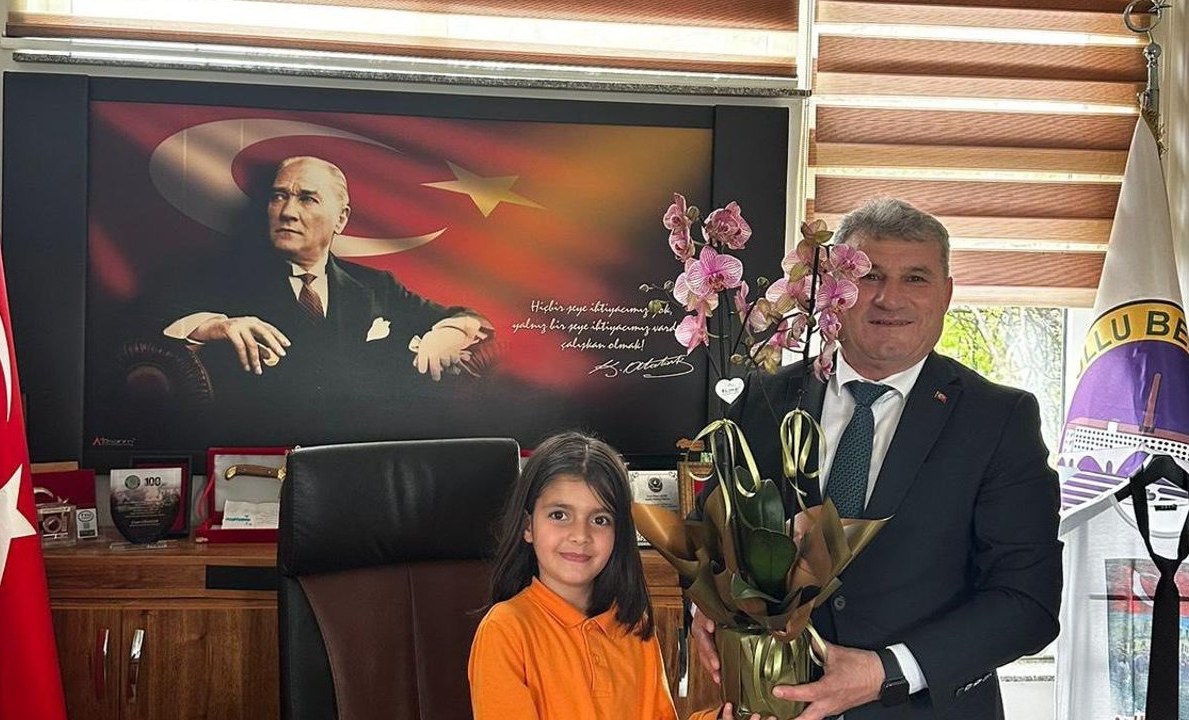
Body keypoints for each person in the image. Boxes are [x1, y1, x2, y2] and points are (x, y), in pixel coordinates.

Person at [692, 198, 1062, 719]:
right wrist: (703, 608)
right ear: (832, 288)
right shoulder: (762, 399)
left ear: (946, 294)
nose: (890, 298)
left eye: (916, 278)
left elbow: (1028, 604)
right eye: (869, 276)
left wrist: (887, 671)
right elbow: (709, 539)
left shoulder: (1000, 420)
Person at [469, 431, 756, 720]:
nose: (580, 535)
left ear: (619, 533)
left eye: (600, 520)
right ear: (528, 526)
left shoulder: (633, 626)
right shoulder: (505, 630)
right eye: (559, 515)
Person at [162, 155, 490, 385]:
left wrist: (446, 334)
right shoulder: (225, 277)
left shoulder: (377, 286)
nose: (287, 212)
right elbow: (151, 323)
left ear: (341, 219)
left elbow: (470, 318)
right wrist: (214, 327)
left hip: (356, 449)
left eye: (307, 199)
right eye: (279, 197)